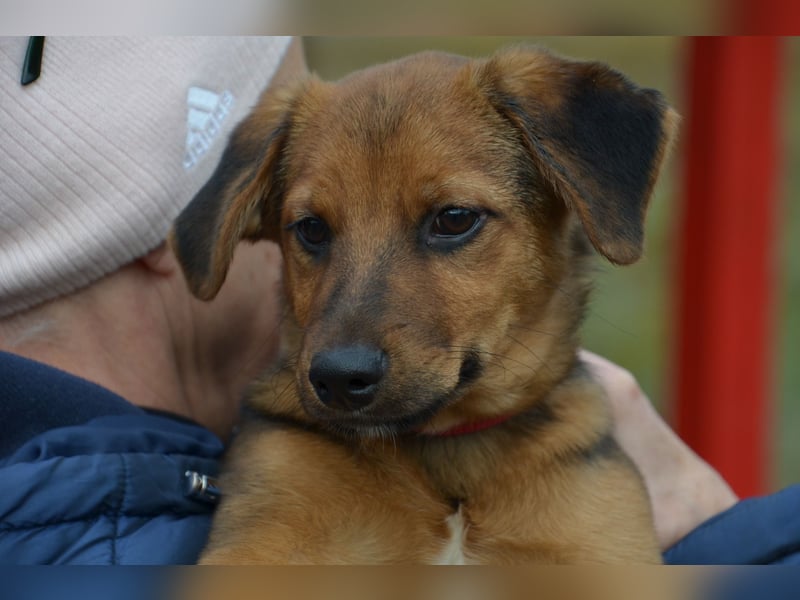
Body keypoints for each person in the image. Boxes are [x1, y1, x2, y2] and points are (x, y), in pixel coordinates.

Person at [0, 36, 794, 566]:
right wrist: (725, 536)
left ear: (584, 192)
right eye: (314, 233)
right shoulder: (272, 469)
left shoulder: (599, 461)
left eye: (452, 222)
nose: (344, 348)